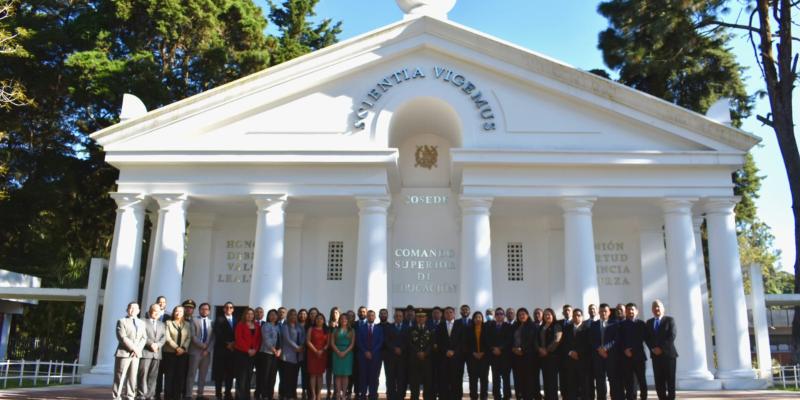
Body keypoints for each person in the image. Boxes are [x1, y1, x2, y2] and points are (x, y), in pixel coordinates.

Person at [112, 302, 146, 400]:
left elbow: (144, 338)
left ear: (139, 311)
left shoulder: (142, 323)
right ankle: (116, 396)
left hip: (136, 354)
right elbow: (122, 337)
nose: (132, 310)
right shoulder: (122, 321)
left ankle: (130, 396)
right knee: (120, 376)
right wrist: (134, 348)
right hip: (124, 353)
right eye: (130, 308)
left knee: (132, 377)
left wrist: (138, 350)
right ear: (127, 310)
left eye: (135, 308)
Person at [645, 300, 677, 400]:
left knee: (670, 380)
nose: (656, 308)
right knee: (659, 381)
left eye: (658, 306)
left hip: (669, 356)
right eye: (654, 307)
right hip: (655, 356)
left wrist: (661, 348)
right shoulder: (649, 322)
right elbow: (647, 338)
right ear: (652, 310)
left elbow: (672, 336)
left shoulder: (669, 320)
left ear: (663, 309)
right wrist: (653, 349)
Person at [561, 308, 592, 400]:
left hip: (583, 361)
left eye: (578, 315)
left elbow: (589, 344)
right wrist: (570, 352)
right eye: (574, 315)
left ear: (582, 317)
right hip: (570, 362)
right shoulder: (567, 329)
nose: (576, 317)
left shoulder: (587, 328)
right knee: (571, 386)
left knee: (584, 386)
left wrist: (578, 353)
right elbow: (563, 343)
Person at [138, 303, 166, 400]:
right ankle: (141, 394)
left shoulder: (162, 324)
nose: (156, 313)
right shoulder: (142, 321)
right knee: (143, 375)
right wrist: (150, 344)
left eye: (158, 311)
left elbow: (164, 337)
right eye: (154, 311)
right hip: (146, 352)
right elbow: (141, 334)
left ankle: (150, 395)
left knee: (153, 376)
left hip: (157, 354)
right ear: (150, 311)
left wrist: (157, 345)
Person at [619, 303, 647, 400]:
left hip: (639, 356)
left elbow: (643, 339)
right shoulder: (621, 325)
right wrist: (624, 350)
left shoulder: (642, 324)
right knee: (629, 382)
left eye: (632, 309)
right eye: (628, 310)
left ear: (636, 311)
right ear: (625, 312)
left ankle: (644, 397)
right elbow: (619, 340)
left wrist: (632, 350)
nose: (630, 311)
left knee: (642, 380)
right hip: (626, 357)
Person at [164, 306, 191, 400]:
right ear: (173, 312)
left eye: (180, 311)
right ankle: (168, 397)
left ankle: (177, 396)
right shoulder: (168, 323)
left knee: (180, 376)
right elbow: (167, 338)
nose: (178, 313)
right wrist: (177, 348)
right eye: (176, 311)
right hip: (170, 353)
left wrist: (183, 348)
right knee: (169, 376)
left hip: (183, 354)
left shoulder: (187, 324)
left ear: (183, 313)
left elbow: (189, 338)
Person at [511, 308, 539, 400]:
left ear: (527, 315)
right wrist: (514, 349)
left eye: (523, 314)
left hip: (528, 357)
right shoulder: (515, 326)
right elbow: (512, 339)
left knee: (528, 381)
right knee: (519, 380)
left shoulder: (532, 326)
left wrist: (522, 349)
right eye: (519, 315)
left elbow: (531, 340)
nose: (521, 316)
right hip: (516, 357)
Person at [188, 302, 214, 399]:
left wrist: (208, 349)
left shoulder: (212, 322)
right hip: (195, 351)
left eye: (206, 309)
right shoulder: (193, 320)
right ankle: (188, 394)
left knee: (203, 375)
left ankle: (200, 394)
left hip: (206, 353)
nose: (204, 310)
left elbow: (213, 338)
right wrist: (202, 345)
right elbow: (193, 336)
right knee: (191, 374)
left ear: (209, 311)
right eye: (202, 309)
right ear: (199, 310)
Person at [437, 306, 464, 400]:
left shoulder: (460, 325)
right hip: (443, 359)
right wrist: (446, 351)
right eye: (446, 312)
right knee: (443, 381)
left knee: (456, 381)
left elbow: (462, 341)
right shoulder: (440, 325)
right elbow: (438, 341)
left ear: (454, 314)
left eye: (450, 312)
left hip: (456, 359)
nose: (448, 314)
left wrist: (454, 351)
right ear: (444, 315)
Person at [355, 310, 383, 400]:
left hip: (375, 357)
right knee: (363, 376)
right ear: (367, 317)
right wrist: (365, 351)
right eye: (369, 315)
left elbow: (380, 342)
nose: (371, 317)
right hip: (363, 356)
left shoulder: (379, 328)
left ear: (375, 317)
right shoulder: (360, 328)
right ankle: (362, 395)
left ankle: (373, 395)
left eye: (372, 316)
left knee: (374, 377)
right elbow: (358, 341)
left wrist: (372, 352)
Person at [591, 303, 616, 400]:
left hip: (610, 356)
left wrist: (605, 348)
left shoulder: (614, 324)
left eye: (605, 311)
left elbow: (616, 339)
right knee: (600, 380)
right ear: (598, 312)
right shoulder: (594, 324)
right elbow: (591, 339)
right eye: (601, 311)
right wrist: (599, 349)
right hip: (598, 356)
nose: (603, 313)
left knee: (613, 379)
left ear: (609, 312)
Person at [407, 309, 434, 400]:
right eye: (418, 316)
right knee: (414, 384)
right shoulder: (410, 330)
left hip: (427, 360)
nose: (420, 318)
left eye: (422, 316)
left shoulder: (431, 330)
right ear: (416, 318)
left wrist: (425, 353)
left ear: (426, 318)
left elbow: (432, 343)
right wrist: (418, 352)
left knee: (428, 384)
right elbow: (409, 344)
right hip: (414, 360)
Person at [486, 307, 512, 400]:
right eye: (497, 314)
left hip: (505, 356)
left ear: (504, 316)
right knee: (495, 379)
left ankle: (507, 396)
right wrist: (493, 348)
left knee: (506, 379)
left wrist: (500, 348)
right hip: (494, 356)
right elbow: (487, 339)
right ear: (495, 316)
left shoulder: (508, 326)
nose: (499, 315)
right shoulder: (490, 326)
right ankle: (497, 396)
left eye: (501, 314)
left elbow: (509, 340)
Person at [281, 309, 306, 400]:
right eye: (292, 315)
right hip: (289, 355)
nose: (294, 316)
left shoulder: (299, 326)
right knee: (288, 376)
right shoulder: (285, 326)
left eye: (295, 315)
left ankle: (293, 393)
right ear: (288, 316)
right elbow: (287, 339)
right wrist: (297, 347)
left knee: (295, 376)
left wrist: (302, 345)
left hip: (298, 356)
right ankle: (287, 394)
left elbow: (304, 336)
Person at [214, 302, 237, 400]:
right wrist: (227, 344)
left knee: (230, 373)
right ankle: (218, 394)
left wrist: (233, 344)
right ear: (223, 309)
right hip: (221, 350)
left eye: (230, 307)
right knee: (219, 373)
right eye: (226, 307)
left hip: (233, 351)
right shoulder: (219, 319)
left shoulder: (237, 320)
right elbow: (218, 333)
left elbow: (238, 333)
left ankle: (228, 393)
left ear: (233, 309)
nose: (228, 309)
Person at [539, 308, 562, 400]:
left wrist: (546, 351)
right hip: (543, 358)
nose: (547, 316)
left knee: (552, 381)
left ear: (553, 315)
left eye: (549, 314)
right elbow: (537, 340)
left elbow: (557, 340)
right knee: (546, 380)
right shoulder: (542, 326)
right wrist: (540, 349)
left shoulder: (556, 325)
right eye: (545, 315)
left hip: (553, 357)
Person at [466, 311, 489, 400]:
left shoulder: (486, 328)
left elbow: (489, 342)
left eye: (480, 317)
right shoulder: (469, 329)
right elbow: (466, 343)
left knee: (484, 380)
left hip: (484, 358)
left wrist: (483, 352)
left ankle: (484, 397)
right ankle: (474, 397)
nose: (478, 319)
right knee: (473, 380)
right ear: (473, 319)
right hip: (472, 358)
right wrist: (473, 352)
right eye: (476, 317)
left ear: (482, 318)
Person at [331, 314, 355, 400]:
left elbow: (352, 344)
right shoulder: (335, 330)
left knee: (345, 375)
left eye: (345, 319)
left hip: (347, 353)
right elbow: (332, 342)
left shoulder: (351, 330)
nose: (343, 320)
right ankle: (338, 394)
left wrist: (345, 352)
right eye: (342, 319)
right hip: (336, 353)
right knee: (337, 375)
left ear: (348, 320)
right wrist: (338, 351)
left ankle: (344, 394)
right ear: (339, 320)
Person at [384, 309, 407, 400]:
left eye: (400, 316)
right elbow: (386, 341)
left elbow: (408, 341)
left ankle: (400, 397)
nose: (398, 317)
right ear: (394, 317)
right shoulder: (389, 327)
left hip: (402, 357)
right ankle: (391, 397)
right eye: (396, 316)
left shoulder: (407, 328)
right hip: (391, 357)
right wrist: (394, 348)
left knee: (402, 379)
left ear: (403, 317)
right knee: (390, 379)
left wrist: (401, 348)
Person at [260, 309, 283, 400]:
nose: (273, 316)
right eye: (271, 314)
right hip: (267, 353)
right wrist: (274, 350)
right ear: (268, 316)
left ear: (277, 317)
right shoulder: (266, 325)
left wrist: (280, 350)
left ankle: (270, 395)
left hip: (277, 354)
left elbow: (282, 340)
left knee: (273, 375)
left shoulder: (279, 326)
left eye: (275, 315)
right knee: (265, 374)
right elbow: (266, 339)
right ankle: (264, 395)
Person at [307, 314, 330, 400]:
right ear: (315, 320)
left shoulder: (326, 330)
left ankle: (319, 394)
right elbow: (308, 341)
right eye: (317, 319)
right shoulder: (311, 329)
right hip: (312, 353)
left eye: (321, 319)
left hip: (322, 354)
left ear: (324, 321)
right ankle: (313, 394)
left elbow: (328, 343)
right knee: (313, 375)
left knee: (320, 375)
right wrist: (316, 351)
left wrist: (322, 350)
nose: (319, 320)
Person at [154, 296, 169, 400]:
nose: (161, 304)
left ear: (165, 304)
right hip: (151, 348)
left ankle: (161, 392)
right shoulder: (149, 314)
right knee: (154, 372)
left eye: (163, 302)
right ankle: (154, 392)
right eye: (159, 302)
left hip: (165, 349)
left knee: (163, 371)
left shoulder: (169, 316)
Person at [557, 305, 573, 399]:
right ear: (563, 312)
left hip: (572, 356)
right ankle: (564, 396)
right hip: (561, 356)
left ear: (571, 312)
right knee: (563, 378)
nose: (567, 312)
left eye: (569, 310)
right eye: (565, 310)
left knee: (572, 379)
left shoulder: (576, 322)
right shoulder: (558, 323)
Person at [325, 307, 340, 400]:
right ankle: (328, 391)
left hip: (338, 351)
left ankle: (336, 391)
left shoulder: (342, 324)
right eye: (333, 312)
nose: (335, 314)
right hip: (329, 352)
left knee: (336, 372)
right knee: (329, 372)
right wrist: (331, 327)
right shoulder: (327, 325)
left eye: (337, 312)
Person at [298, 309, 310, 400]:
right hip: (296, 352)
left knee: (305, 373)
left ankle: (304, 390)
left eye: (304, 314)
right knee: (294, 373)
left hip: (307, 353)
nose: (302, 315)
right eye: (301, 314)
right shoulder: (296, 325)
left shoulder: (309, 325)